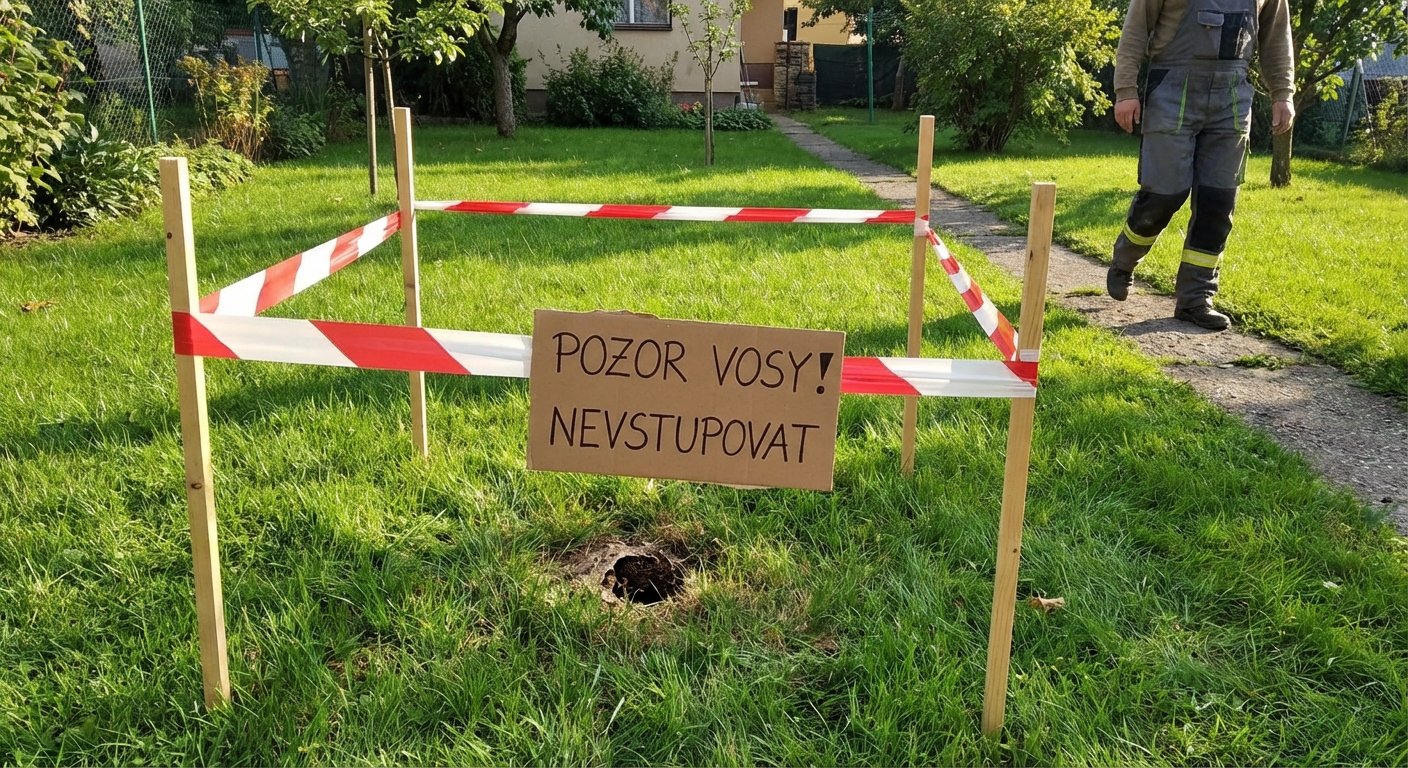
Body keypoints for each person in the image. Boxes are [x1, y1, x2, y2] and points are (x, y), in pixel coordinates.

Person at [1107, 0, 1296, 330]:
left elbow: (1277, 37)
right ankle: (1125, 260)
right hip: (1172, 89)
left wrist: (1283, 93)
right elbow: (1136, 29)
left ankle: (1196, 299)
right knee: (1164, 195)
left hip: (1232, 97)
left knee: (1218, 203)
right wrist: (1126, 90)